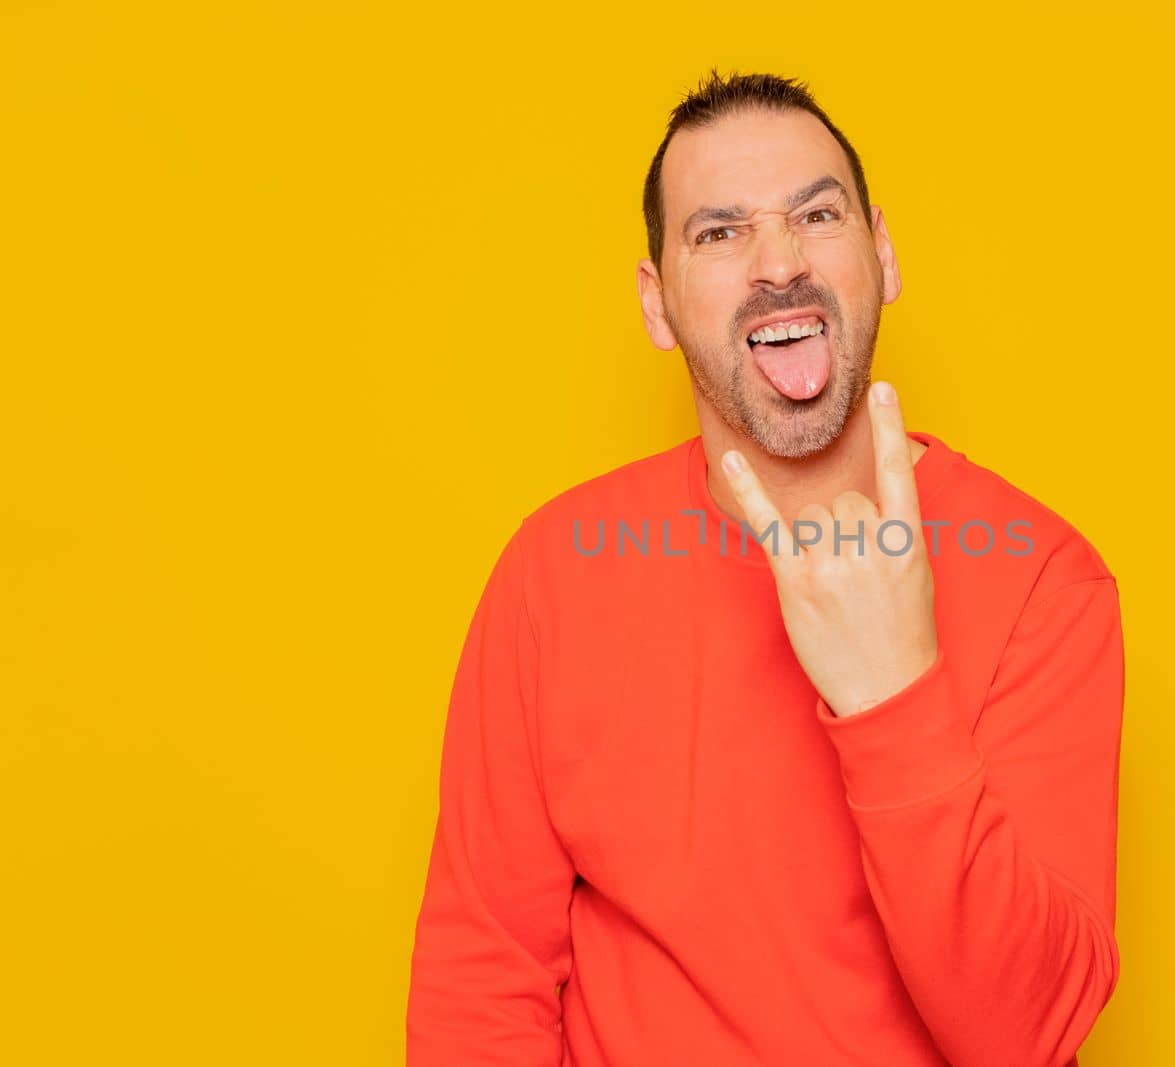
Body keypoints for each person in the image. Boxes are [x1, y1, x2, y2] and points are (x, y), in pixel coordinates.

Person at [405, 69, 1124, 1066]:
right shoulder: (554, 571)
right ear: (656, 304)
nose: (778, 262)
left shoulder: (1044, 579)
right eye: (719, 231)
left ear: (880, 253)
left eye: (815, 215)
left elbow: (1023, 1036)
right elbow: (481, 980)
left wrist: (892, 693)